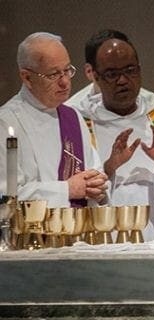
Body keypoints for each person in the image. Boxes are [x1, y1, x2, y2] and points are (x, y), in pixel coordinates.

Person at [70, 30, 154, 241]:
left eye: (130, 70)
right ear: (95, 77)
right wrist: (108, 168)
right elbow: (72, 194)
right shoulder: (80, 125)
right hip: (101, 243)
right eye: (111, 74)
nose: (122, 80)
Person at [0, 32, 107, 207]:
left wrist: (98, 186)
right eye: (53, 75)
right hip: (29, 234)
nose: (65, 82)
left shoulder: (73, 117)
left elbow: (93, 172)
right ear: (26, 77)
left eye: (67, 70)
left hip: (77, 230)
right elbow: (6, 197)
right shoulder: (6, 123)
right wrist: (67, 190)